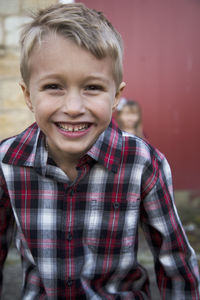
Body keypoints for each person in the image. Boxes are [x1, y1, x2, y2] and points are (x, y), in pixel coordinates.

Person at [0, 3, 199, 299]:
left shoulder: (143, 163)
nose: (73, 108)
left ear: (116, 96)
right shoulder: (7, 163)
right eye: (54, 86)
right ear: (28, 95)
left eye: (92, 87)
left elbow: (176, 262)